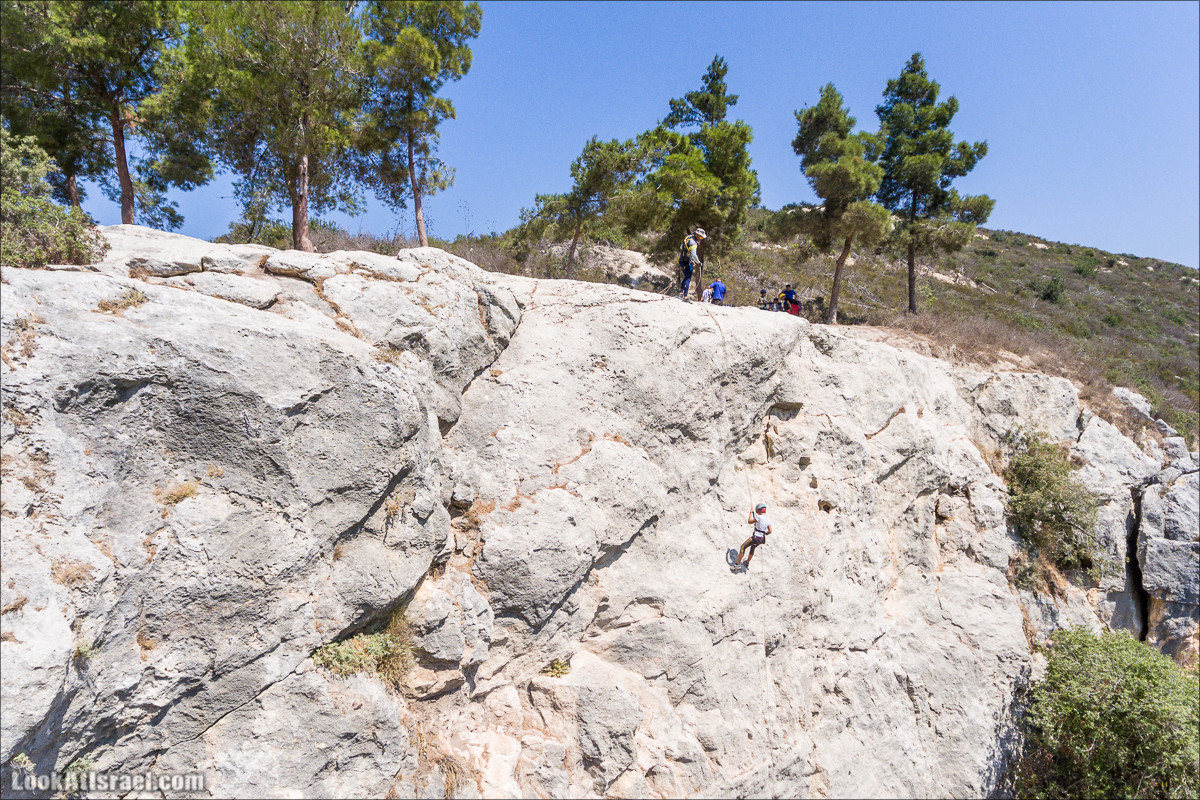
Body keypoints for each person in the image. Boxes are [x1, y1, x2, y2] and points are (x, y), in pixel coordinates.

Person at [735, 502, 771, 570]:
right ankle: (747, 562)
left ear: (758, 510)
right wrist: (766, 533)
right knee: (753, 547)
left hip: (756, 537)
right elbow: (770, 531)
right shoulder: (767, 519)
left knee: (743, 547)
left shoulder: (759, 517)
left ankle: (737, 564)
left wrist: (751, 513)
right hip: (762, 538)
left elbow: (749, 521)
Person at [678, 227, 706, 300]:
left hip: (681, 259)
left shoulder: (688, 237)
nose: (700, 238)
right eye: (700, 236)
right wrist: (698, 262)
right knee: (688, 278)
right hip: (687, 261)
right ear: (696, 234)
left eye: (702, 237)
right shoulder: (694, 243)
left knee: (686, 276)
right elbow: (694, 254)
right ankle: (685, 296)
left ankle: (681, 292)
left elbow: (681, 247)